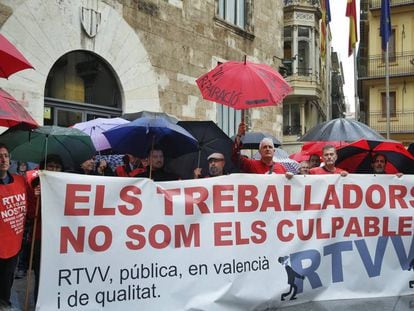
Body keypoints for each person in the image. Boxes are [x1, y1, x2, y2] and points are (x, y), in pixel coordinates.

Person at [26, 154, 64, 303]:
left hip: (61, 240)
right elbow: (29, 214)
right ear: (43, 168)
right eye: (51, 166)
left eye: (57, 167)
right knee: (42, 277)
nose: (54, 169)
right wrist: (37, 198)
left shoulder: (66, 185)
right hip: (40, 239)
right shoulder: (34, 185)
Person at [0, 143, 29, 306]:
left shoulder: (19, 180)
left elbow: (30, 202)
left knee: (7, 283)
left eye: (5, 155)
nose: (3, 159)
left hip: (14, 245)